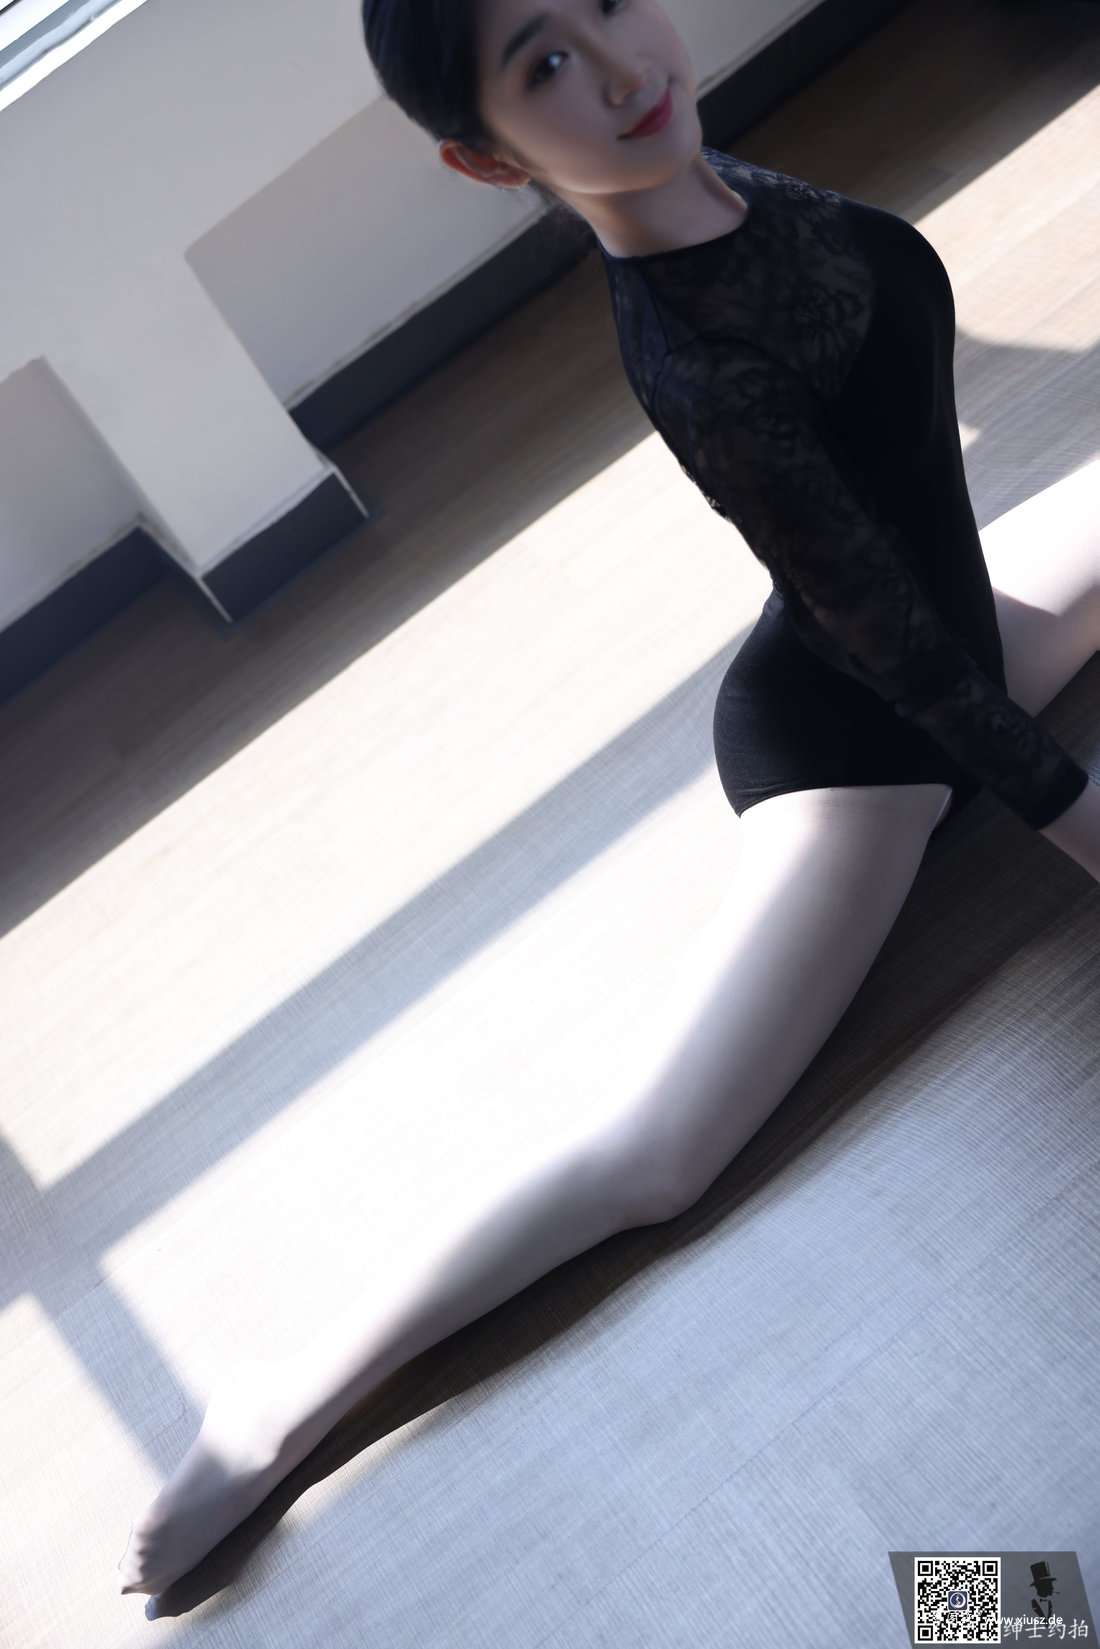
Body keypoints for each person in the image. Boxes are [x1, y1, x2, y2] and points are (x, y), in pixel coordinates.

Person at [118, 0, 1100, 1598]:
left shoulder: (721, 186)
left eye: (609, 6)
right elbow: (907, 664)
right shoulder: (696, 360)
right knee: (662, 1153)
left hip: (958, 625)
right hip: (862, 745)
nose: (625, 65)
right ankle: (281, 1399)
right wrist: (1068, 808)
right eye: (546, 64)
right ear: (484, 158)